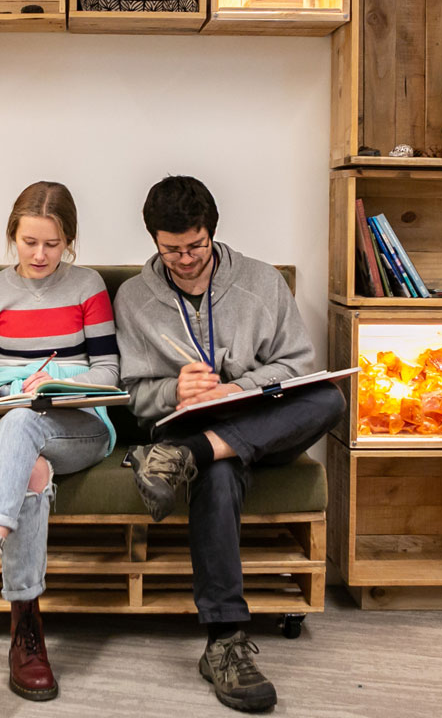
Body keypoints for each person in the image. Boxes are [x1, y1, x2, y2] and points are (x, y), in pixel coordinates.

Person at [113, 175, 346, 713]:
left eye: (194, 246)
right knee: (216, 473)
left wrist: (236, 388)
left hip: (259, 421)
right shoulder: (133, 297)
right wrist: (175, 389)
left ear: (212, 234)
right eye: (170, 249)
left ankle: (186, 460)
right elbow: (128, 393)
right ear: (153, 239)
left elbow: (297, 365)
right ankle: (224, 642)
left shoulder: (263, 282)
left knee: (330, 400)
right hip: (182, 426)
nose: (185, 259)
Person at [0, 181, 120, 702]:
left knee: (25, 423)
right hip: (2, 422)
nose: (39, 255)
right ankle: (25, 633)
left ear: (70, 241)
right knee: (25, 455)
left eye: (52, 244)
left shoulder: (88, 287)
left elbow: (107, 371)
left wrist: (63, 384)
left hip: (74, 422)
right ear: (12, 235)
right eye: (29, 242)